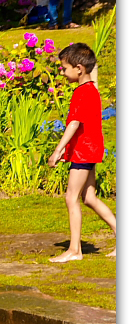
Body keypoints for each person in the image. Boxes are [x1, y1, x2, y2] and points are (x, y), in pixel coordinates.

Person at [47, 43, 116, 262]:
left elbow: (74, 123)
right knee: (89, 197)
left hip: (83, 152)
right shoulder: (92, 90)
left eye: (64, 68)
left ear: (79, 68)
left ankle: (75, 250)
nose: (62, 72)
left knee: (71, 197)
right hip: (92, 150)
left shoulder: (82, 93)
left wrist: (58, 150)